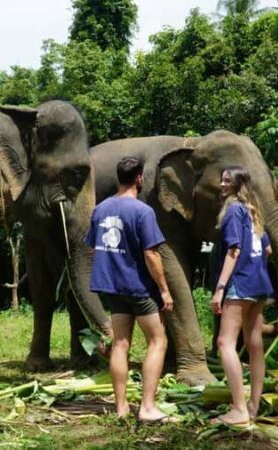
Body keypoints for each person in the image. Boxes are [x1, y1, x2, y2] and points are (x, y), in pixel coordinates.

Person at [85, 156, 177, 424]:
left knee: (121, 344)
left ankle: (121, 407)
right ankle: (148, 407)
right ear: (139, 178)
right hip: (139, 288)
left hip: (113, 287)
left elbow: (94, 246)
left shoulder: (100, 209)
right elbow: (151, 254)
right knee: (158, 341)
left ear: (119, 177)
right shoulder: (142, 212)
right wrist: (164, 290)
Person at [210, 165, 274, 426]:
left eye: (227, 181)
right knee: (254, 343)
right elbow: (267, 250)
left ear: (238, 185)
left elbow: (233, 251)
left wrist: (220, 288)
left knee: (225, 342)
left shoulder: (234, 210)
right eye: (222, 180)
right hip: (259, 285)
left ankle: (238, 410)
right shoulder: (253, 211)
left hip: (240, 284)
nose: (222, 185)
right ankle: (253, 405)